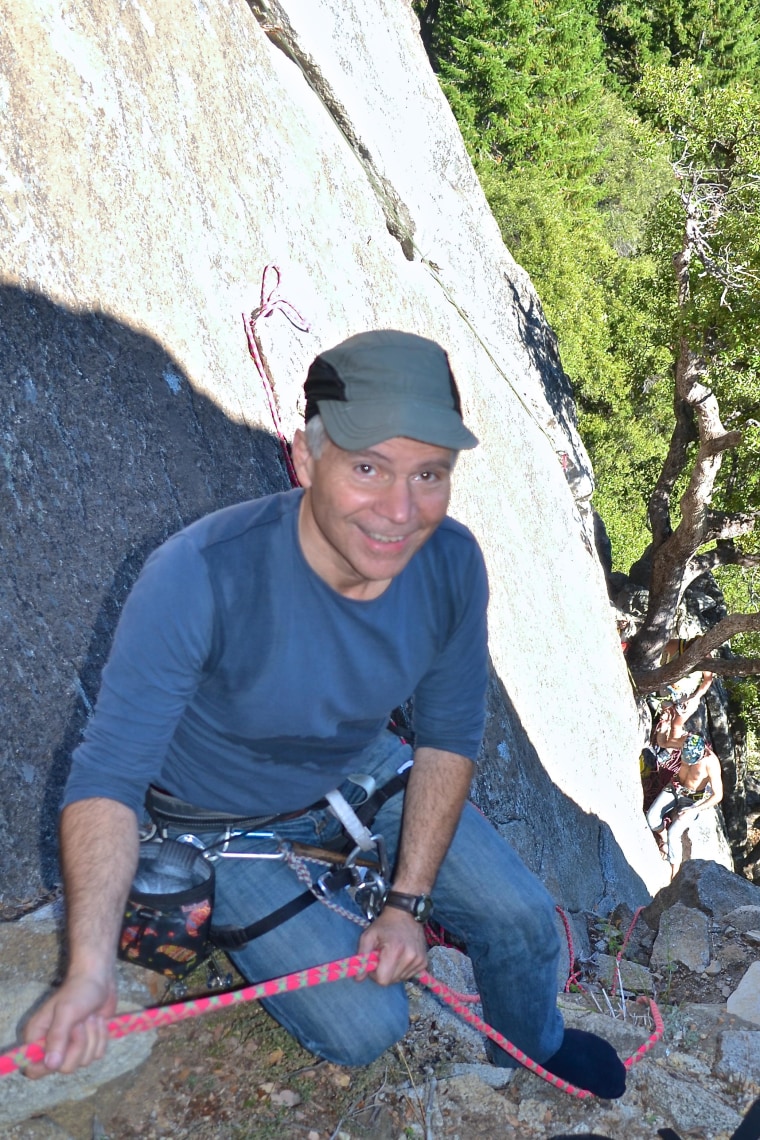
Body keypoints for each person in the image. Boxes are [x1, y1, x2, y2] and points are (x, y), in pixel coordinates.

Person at [23, 330, 625, 1098]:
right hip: (216, 822)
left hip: (354, 767)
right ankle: (261, 917)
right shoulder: (200, 575)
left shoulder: (450, 566)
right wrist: (89, 967)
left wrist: (408, 904)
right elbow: (106, 780)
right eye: (368, 467)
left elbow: (446, 737)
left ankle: (531, 1048)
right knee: (367, 1029)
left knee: (525, 922)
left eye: (429, 474)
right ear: (307, 460)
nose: (399, 512)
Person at [646, 671, 723, 871]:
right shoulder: (686, 742)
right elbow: (664, 741)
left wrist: (695, 809)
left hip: (693, 799)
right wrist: (664, 724)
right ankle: (660, 836)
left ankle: (674, 871)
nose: (686, 760)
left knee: (675, 833)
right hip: (675, 786)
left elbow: (718, 794)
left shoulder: (711, 762)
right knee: (652, 817)